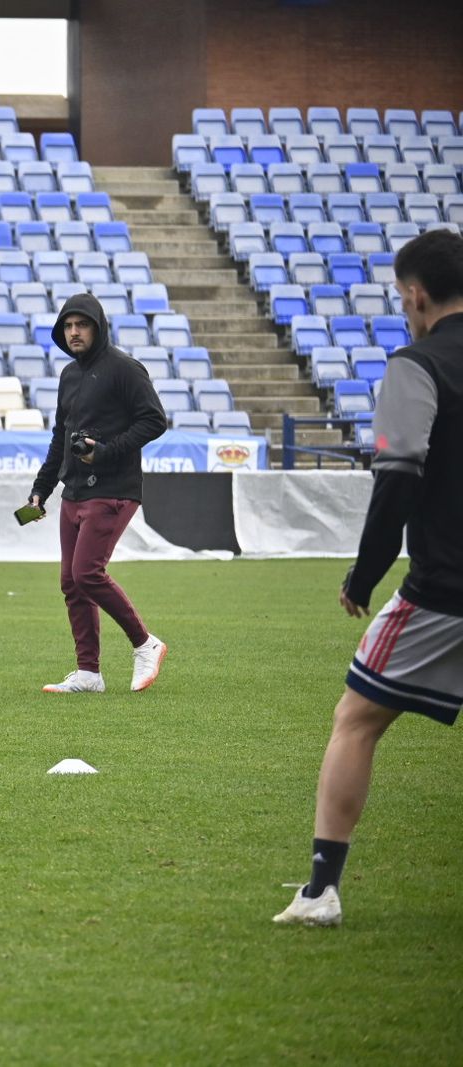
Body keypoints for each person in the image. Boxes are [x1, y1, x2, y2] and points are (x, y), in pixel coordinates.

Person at [275, 228, 463, 927]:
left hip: (444, 587)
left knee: (356, 718)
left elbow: (397, 480)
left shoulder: (414, 366)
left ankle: (321, 889)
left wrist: (363, 576)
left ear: (415, 295)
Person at [27, 292, 169, 694]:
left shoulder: (125, 369)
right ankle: (89, 673)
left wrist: (106, 451)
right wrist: (42, 489)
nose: (74, 332)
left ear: (98, 327)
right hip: (73, 491)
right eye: (68, 326)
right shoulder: (69, 375)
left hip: (114, 489)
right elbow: (61, 437)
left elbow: (154, 421)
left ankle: (146, 643)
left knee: (87, 572)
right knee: (71, 582)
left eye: (82, 325)